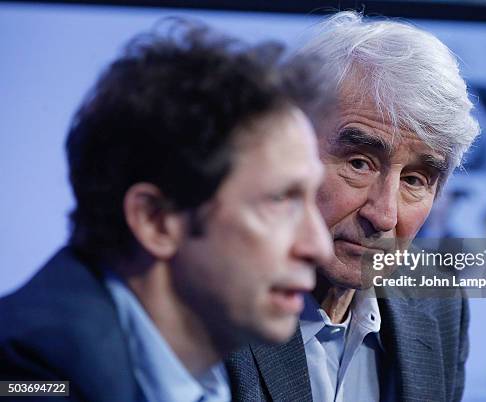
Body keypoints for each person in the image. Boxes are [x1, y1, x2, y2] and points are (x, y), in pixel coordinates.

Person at [0, 20, 333, 402]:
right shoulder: (28, 378)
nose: (318, 246)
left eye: (311, 197)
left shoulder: (209, 372)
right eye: (280, 200)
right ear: (155, 221)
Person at [226, 11, 480, 402]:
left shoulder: (440, 304)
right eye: (359, 163)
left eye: (415, 180)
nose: (384, 216)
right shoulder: (213, 300)